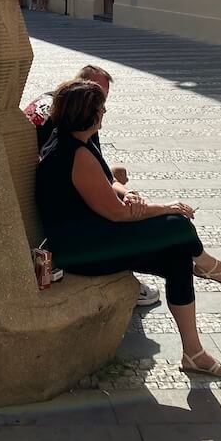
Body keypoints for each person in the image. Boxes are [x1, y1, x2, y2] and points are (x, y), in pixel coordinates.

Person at [36, 79, 221, 379]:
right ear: (89, 114)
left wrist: (127, 194)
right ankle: (210, 266)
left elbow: (109, 189)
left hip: (94, 237)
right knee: (177, 225)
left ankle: (194, 353)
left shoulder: (74, 140)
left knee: (177, 256)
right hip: (81, 252)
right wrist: (168, 207)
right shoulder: (75, 153)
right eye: (101, 108)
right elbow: (118, 214)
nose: (105, 112)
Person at [24, 65, 158, 306]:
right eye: (99, 97)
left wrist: (124, 190)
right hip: (53, 197)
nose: (103, 106)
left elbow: (102, 170)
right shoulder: (80, 115)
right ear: (84, 88)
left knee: (117, 178)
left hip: (36, 181)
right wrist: (160, 206)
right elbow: (94, 173)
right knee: (112, 201)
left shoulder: (60, 102)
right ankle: (126, 274)